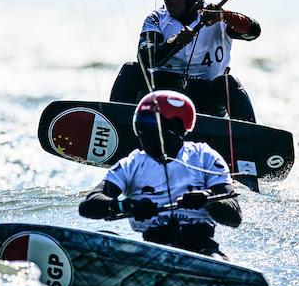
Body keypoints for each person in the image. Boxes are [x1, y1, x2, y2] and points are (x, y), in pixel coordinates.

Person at [78, 90, 242, 256]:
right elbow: (88, 204)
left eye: (149, 123)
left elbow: (234, 216)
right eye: (139, 125)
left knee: (215, 257)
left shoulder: (205, 156)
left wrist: (208, 200)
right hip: (153, 250)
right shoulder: (132, 163)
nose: (142, 131)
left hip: (202, 249)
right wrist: (124, 205)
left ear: (176, 126)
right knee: (104, 238)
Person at [109, 0, 261, 123]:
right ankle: (113, 124)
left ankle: (249, 137)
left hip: (205, 99)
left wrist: (226, 16)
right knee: (131, 70)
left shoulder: (218, 17)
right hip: (163, 93)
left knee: (228, 83)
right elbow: (145, 58)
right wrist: (175, 42)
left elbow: (253, 32)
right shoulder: (156, 19)